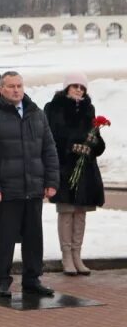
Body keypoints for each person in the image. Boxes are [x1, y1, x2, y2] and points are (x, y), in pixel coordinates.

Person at [0, 71, 59, 298]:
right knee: (4, 237)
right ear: (1, 89)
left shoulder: (37, 114)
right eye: (11, 86)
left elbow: (49, 150)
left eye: (19, 86)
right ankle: (1, 280)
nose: (16, 90)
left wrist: (51, 181)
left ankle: (32, 279)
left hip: (33, 188)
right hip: (6, 190)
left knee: (34, 237)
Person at [44, 72, 105, 276]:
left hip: (84, 169)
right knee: (67, 212)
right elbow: (51, 137)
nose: (78, 89)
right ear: (66, 88)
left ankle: (78, 255)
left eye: (82, 86)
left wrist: (92, 145)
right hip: (64, 167)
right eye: (74, 86)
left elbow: (97, 139)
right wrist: (71, 146)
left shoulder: (89, 109)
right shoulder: (54, 107)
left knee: (81, 213)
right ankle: (67, 256)